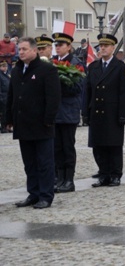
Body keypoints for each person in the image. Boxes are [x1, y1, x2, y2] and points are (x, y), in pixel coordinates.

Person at [7, 37, 61, 209]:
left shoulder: (47, 69)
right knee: (29, 163)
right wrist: (8, 118)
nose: (20, 52)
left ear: (34, 50)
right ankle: (34, 193)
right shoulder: (17, 70)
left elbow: (53, 98)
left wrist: (48, 119)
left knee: (44, 162)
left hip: (41, 124)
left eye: (24, 49)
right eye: (19, 49)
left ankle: (45, 195)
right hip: (23, 124)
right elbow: (12, 96)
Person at [84, 34, 125, 187]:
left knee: (113, 145)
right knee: (98, 146)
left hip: (112, 112)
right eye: (101, 46)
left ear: (113, 48)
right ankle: (103, 173)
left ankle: (115, 174)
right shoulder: (93, 67)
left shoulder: (122, 67)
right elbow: (87, 91)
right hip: (96, 111)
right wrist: (85, 112)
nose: (103, 48)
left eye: (106, 46)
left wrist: (124, 114)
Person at [52, 32, 84, 193]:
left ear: (69, 47)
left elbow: (78, 87)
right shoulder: (52, 63)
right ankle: (59, 178)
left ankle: (69, 180)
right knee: (56, 148)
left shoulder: (75, 63)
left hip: (68, 111)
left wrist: (60, 84)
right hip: (55, 113)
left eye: (61, 45)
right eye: (56, 45)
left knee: (67, 147)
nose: (58, 48)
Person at [0, 61, 10, 133]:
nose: (5, 68)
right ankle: (3, 127)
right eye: (3, 66)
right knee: (3, 113)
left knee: (8, 112)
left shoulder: (8, 74)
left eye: (6, 66)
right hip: (3, 96)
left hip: (8, 96)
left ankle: (8, 126)